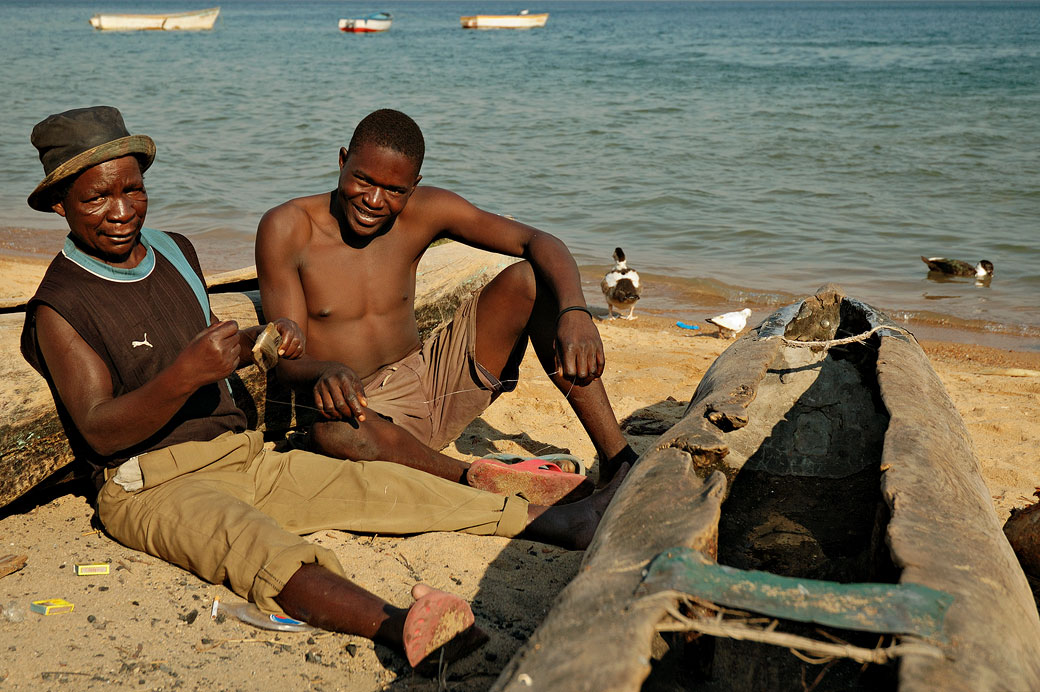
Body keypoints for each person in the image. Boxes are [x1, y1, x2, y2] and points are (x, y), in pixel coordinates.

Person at [20, 106, 627, 672]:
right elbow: (99, 429)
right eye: (97, 198)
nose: (122, 210)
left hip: (244, 456)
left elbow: (214, 345)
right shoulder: (61, 304)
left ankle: (563, 522)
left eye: (132, 190)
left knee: (381, 489)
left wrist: (263, 337)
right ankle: (400, 625)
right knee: (257, 547)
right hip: (150, 482)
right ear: (59, 207)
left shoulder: (176, 252)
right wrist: (191, 372)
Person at [256, 109, 638, 498]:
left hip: (433, 379)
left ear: (414, 186)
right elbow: (284, 358)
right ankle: (476, 476)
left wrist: (574, 311)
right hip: (361, 409)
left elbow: (537, 241)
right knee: (331, 432)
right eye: (362, 180)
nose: (373, 200)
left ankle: (619, 459)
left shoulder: (426, 210)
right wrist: (327, 370)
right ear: (341, 161)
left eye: (394, 190)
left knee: (531, 280)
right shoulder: (288, 228)